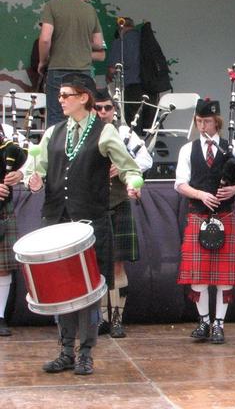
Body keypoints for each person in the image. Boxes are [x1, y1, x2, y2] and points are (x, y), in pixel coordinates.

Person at [22, 73, 142, 376]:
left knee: (88, 293)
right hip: (56, 222)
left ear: (83, 97)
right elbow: (37, 169)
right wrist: (32, 179)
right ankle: (65, 352)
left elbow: (129, 166)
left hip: (89, 224)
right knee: (61, 292)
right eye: (60, 95)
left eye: (66, 95)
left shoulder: (105, 132)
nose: (60, 100)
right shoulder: (53, 132)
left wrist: (132, 183)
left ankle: (86, 353)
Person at [174, 99, 235, 344]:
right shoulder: (187, 149)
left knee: (224, 278)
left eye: (207, 121)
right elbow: (179, 183)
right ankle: (203, 322)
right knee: (198, 276)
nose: (202, 126)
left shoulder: (232, 145)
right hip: (198, 215)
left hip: (225, 216)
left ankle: (219, 324)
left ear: (218, 122)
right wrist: (200, 194)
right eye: (199, 121)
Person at [94, 89, 152, 338]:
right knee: (96, 265)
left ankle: (117, 318)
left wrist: (125, 165)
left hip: (117, 202)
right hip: (92, 206)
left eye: (108, 107)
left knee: (117, 264)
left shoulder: (124, 133)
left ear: (114, 109)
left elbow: (146, 159)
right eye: (99, 108)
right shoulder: (87, 134)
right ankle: (101, 319)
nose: (104, 112)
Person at [38, 0, 105, 127]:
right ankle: (82, 150)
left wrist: (42, 61)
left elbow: (45, 38)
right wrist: (79, 40)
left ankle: (58, 151)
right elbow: (99, 43)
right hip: (84, 71)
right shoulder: (89, 10)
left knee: (57, 118)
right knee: (83, 117)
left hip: (58, 69)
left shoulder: (51, 6)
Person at [0, 124, 27, 337]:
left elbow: (34, 156)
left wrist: (20, 173)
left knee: (2, 267)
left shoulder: (7, 131)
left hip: (2, 207)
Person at [106, 17, 151, 134]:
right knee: (149, 120)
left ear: (120, 27)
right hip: (150, 86)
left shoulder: (120, 43)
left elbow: (112, 70)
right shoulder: (145, 40)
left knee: (134, 120)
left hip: (131, 85)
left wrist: (109, 78)